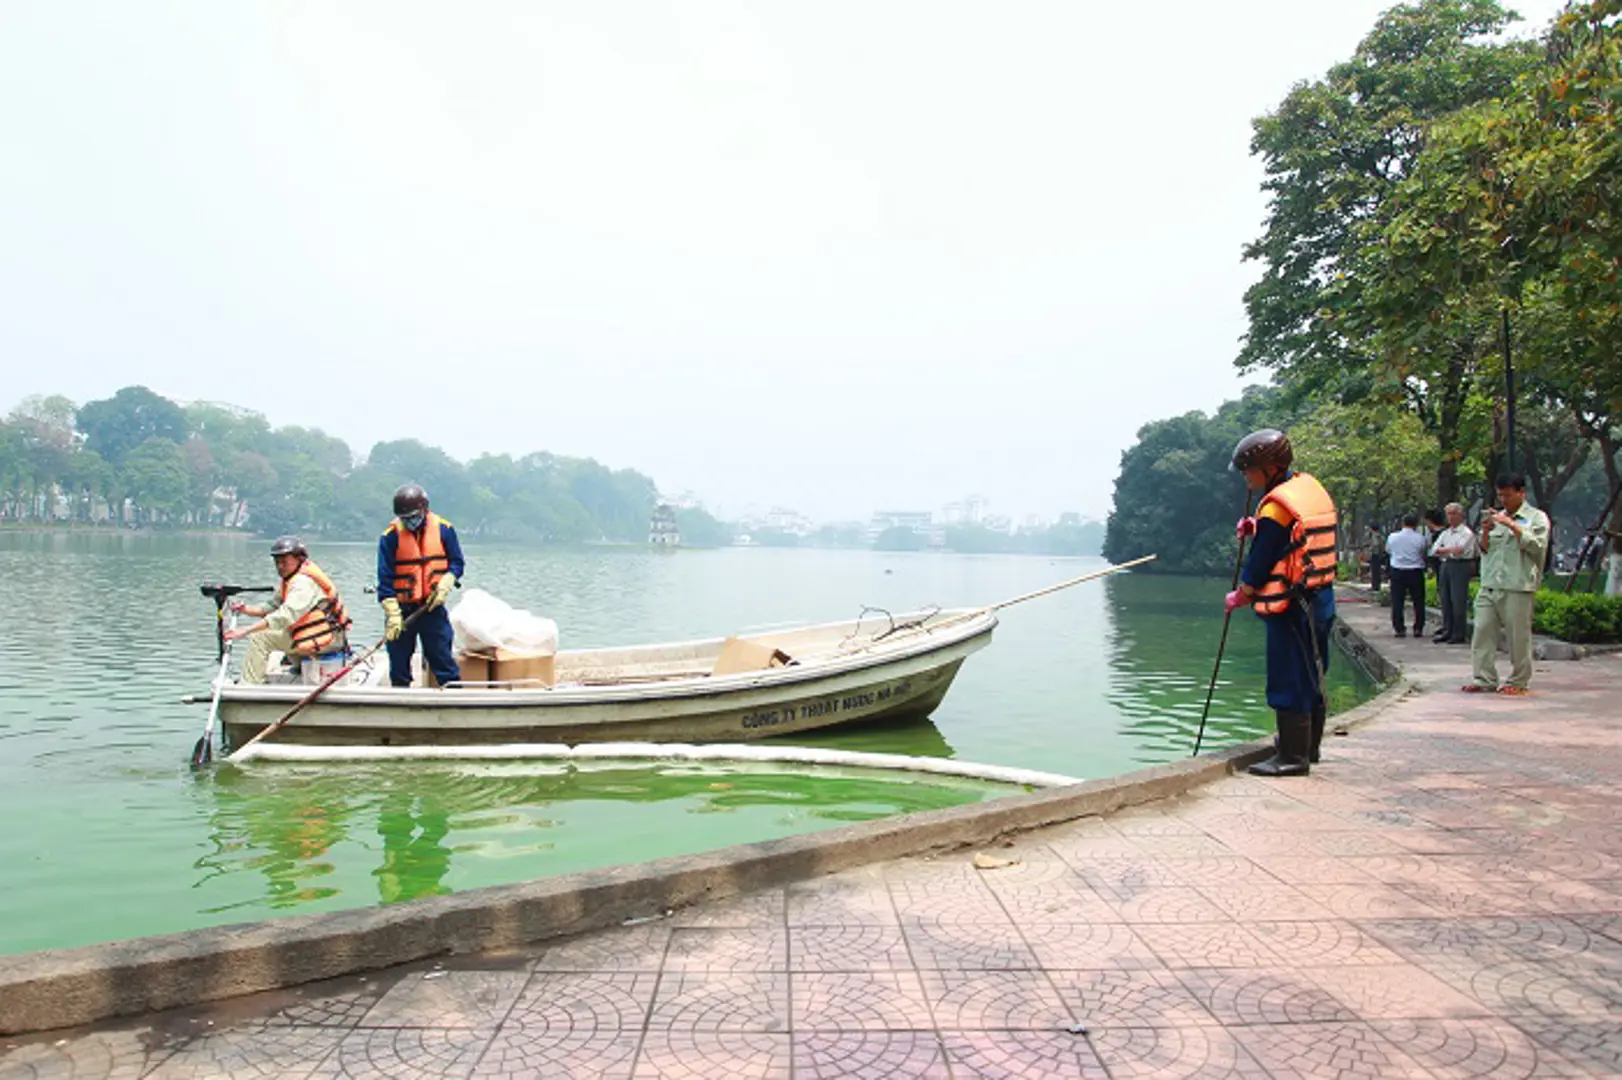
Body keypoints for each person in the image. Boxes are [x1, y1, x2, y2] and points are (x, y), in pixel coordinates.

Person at [1224, 428, 1338, 777]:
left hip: (1290, 606)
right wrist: (1256, 526)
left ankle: (1292, 757)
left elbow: (1261, 561)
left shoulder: (1276, 507)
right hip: (1320, 598)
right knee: (1313, 672)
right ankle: (1309, 747)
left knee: (1288, 676)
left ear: (1269, 467)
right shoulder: (1306, 489)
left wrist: (1241, 594)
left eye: (1249, 470)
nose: (1246, 477)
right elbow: (1293, 537)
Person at [1463, 472, 1549, 696]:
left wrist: (1511, 525)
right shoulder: (1496, 518)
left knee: (1518, 636)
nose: (1504, 500)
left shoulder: (1536, 518)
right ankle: (1484, 678)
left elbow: (1537, 547)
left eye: (1508, 495)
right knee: (1481, 630)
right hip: (1490, 583)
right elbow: (1485, 550)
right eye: (1500, 496)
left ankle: (1519, 680)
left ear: (1522, 493)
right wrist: (1485, 532)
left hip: (1517, 585)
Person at [224, 536, 352, 684]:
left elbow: (284, 616)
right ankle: (299, 665)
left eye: (284, 562)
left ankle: (250, 685)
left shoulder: (302, 583)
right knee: (276, 628)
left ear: (298, 559)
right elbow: (273, 606)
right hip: (312, 633)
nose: (280, 566)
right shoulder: (290, 578)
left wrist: (246, 630)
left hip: (327, 639)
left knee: (260, 637)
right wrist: (246, 609)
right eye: (277, 562)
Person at [377, 483, 465, 688]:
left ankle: (454, 698)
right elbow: (385, 578)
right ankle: (401, 700)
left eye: (413, 516)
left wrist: (447, 581)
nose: (410, 522)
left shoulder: (444, 529)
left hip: (432, 606)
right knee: (398, 662)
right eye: (404, 519)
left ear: (425, 509)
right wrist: (392, 613)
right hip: (402, 609)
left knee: (441, 655)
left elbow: (457, 562)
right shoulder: (390, 536)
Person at [1429, 502, 1478, 645]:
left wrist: (1445, 550)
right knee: (1445, 599)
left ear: (1461, 515)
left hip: (1460, 565)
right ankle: (1447, 630)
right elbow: (1434, 550)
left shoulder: (1466, 533)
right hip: (1446, 565)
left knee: (1458, 599)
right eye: (1448, 514)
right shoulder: (1445, 533)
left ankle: (1458, 633)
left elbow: (1459, 550)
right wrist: (1447, 550)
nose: (1450, 517)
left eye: (1453, 513)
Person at [1385, 512, 1429, 638]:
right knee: (1418, 601)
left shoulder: (1392, 537)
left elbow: (1388, 550)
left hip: (1397, 570)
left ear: (1402, 523)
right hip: (1415, 571)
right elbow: (1423, 552)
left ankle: (1399, 629)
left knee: (1397, 601)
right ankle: (1418, 628)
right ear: (1415, 524)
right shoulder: (1420, 538)